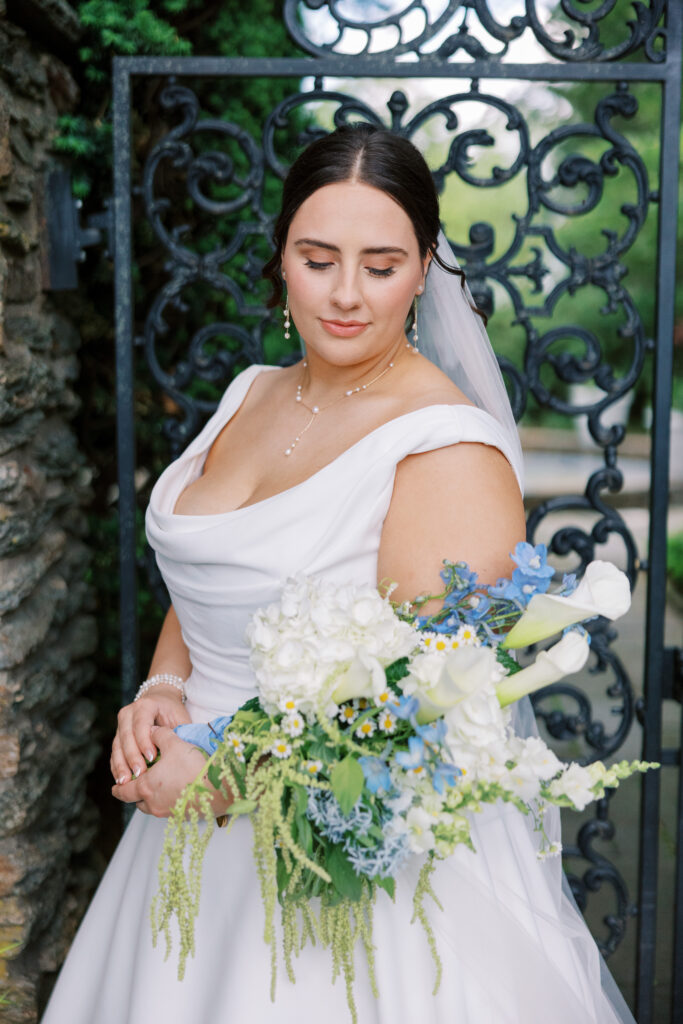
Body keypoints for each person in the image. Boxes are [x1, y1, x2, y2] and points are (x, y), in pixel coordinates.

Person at [42, 125, 635, 1023]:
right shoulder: (249, 391)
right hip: (179, 829)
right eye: (318, 259)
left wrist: (226, 770)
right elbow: (215, 579)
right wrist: (167, 684)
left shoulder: (445, 445)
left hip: (337, 863)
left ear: (425, 267)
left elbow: (423, 707)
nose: (347, 294)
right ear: (280, 255)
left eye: (382, 263)